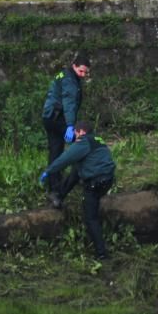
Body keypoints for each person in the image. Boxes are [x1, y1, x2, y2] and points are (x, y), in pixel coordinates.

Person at [38, 121, 115, 260]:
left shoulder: (83, 142)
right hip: (108, 180)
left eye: (75, 133)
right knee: (76, 169)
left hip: (95, 183)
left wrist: (48, 171)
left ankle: (102, 253)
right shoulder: (98, 140)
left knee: (90, 217)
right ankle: (59, 195)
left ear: (81, 132)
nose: (74, 135)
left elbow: (65, 158)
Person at [41, 54, 90, 208]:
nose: (83, 75)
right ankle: (81, 177)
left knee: (56, 151)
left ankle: (54, 188)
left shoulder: (64, 73)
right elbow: (69, 102)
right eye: (81, 71)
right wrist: (70, 125)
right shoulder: (69, 80)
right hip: (59, 118)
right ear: (74, 65)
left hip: (49, 117)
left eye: (85, 73)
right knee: (83, 142)